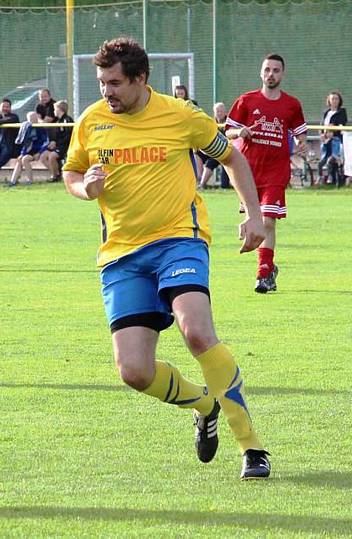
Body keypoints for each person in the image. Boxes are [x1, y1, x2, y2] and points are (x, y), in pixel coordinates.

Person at [62, 37, 271, 480]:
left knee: (197, 332)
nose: (106, 92)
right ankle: (203, 404)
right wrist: (86, 189)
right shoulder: (92, 121)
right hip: (121, 254)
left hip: (180, 239)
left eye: (115, 83)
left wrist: (254, 216)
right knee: (134, 372)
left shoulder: (181, 117)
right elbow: (72, 172)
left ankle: (251, 446)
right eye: (101, 83)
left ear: (140, 79)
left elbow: (233, 157)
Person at [225, 53, 308, 294]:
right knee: (256, 222)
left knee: (268, 221)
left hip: (276, 172)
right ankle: (270, 267)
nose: (271, 74)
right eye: (267, 70)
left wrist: (302, 143)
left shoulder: (292, 105)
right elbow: (227, 131)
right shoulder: (246, 101)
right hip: (248, 173)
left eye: (276, 70)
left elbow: (300, 133)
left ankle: (262, 273)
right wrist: (239, 133)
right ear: (261, 73)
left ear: (282, 74)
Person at [7, 111, 48, 186]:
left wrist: (39, 152)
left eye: (34, 118)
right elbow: (25, 144)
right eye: (30, 119)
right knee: (20, 159)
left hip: (37, 151)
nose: (32, 120)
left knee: (25, 159)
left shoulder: (41, 128)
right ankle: (13, 181)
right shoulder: (26, 128)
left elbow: (46, 142)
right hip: (29, 151)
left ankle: (30, 181)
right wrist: (22, 153)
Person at [198, 102, 232, 189]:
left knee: (211, 162)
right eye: (217, 111)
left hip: (226, 151)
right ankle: (199, 180)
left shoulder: (230, 123)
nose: (219, 113)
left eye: (221, 111)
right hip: (212, 150)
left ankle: (202, 184)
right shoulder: (211, 123)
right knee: (196, 154)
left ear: (225, 112)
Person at [39, 100, 74, 182]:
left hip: (65, 146)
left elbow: (68, 136)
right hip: (58, 145)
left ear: (59, 109)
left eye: (55, 109)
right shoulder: (58, 121)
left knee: (52, 156)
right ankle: (56, 173)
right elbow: (56, 136)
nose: (54, 111)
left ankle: (56, 176)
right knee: (43, 156)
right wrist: (53, 141)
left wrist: (57, 143)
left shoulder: (67, 120)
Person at [318, 91, 347, 186]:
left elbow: (342, 123)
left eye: (336, 99)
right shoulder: (326, 112)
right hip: (325, 140)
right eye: (332, 99)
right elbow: (321, 125)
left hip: (336, 140)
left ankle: (333, 177)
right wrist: (322, 134)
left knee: (331, 159)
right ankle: (320, 179)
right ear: (329, 101)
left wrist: (332, 131)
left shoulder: (342, 112)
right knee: (321, 161)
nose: (334, 101)